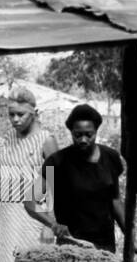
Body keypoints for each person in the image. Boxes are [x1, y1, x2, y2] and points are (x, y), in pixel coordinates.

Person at [25, 103, 124, 252]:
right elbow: (30, 201)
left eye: (89, 134)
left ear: (96, 131)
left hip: (104, 246)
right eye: (78, 135)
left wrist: (130, 235)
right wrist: (52, 224)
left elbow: (115, 201)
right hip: (70, 245)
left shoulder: (111, 158)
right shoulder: (56, 162)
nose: (83, 139)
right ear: (71, 132)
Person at [0, 87, 60, 262]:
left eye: (21, 114)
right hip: (10, 217)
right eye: (11, 115)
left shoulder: (46, 141)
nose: (15, 119)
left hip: (35, 219)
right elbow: (5, 177)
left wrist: (52, 225)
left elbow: (56, 184)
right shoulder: (9, 137)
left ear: (35, 113)